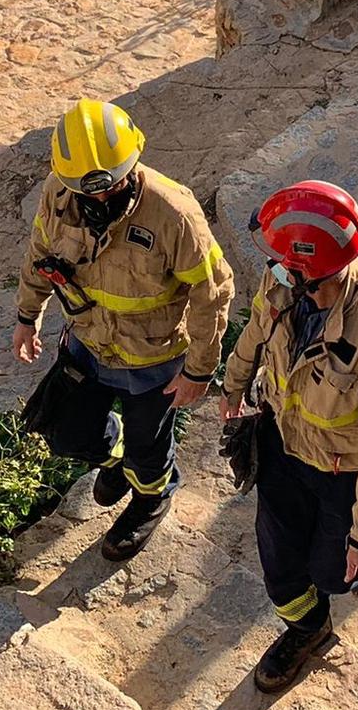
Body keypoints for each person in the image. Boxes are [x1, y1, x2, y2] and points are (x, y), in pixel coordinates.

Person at [14, 99, 236, 560]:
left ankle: (151, 497)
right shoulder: (57, 194)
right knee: (66, 434)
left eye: (108, 186)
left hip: (151, 361)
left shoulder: (173, 213)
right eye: (85, 190)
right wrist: (26, 315)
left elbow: (213, 290)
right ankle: (119, 460)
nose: (97, 198)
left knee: (149, 452)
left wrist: (198, 371)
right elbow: (41, 253)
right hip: (86, 344)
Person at [222, 181, 358, 694]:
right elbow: (257, 330)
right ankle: (308, 629)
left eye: (291, 269)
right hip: (284, 446)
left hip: (344, 471)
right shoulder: (286, 280)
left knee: (339, 576)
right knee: (281, 569)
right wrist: (234, 383)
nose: (278, 274)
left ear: (318, 271)